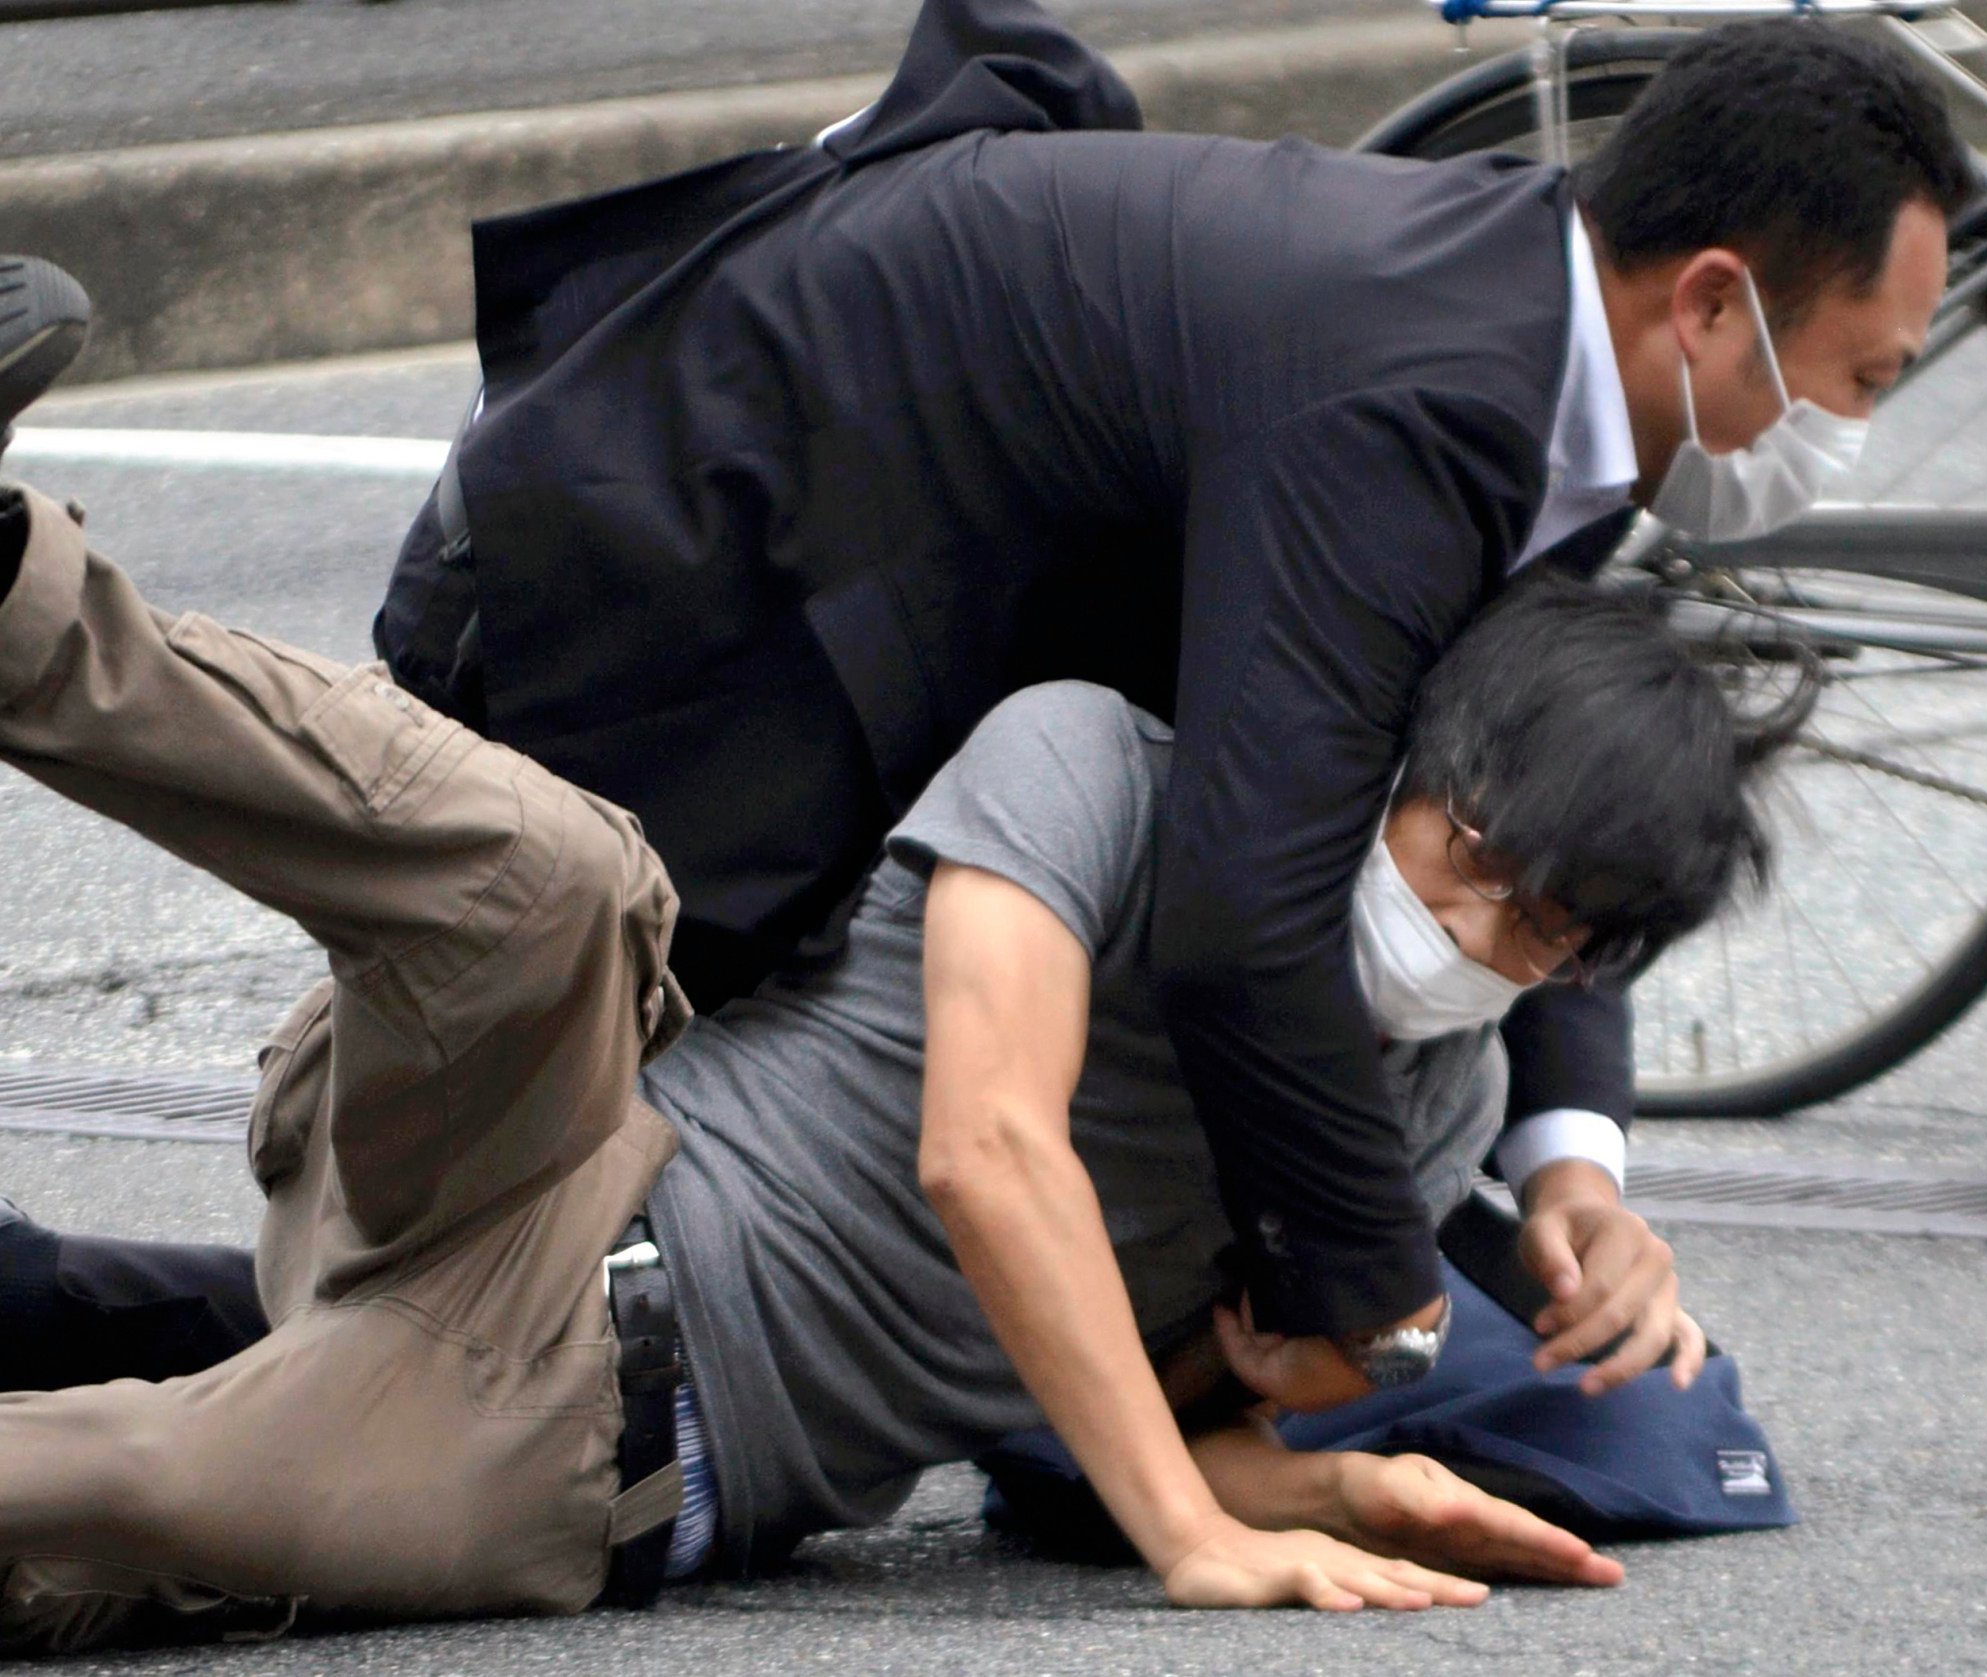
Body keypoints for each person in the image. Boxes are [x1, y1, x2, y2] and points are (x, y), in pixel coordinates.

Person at [0, 321, 1801, 1644]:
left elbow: (1101, 1446)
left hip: (583, 1445)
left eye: (1550, 936)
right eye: (1470, 855)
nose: (1481, 937)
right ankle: (17, 596)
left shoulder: (1433, 1105)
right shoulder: (1097, 768)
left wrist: (1287, 1445)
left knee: (117, 1506)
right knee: (557, 879)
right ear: (1392, 756)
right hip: (537, 1153)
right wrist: (1192, 1521)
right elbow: (986, 1149)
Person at [373, 0, 1976, 1403]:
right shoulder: (1421, 399)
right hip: (620, 583)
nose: (1853, 425)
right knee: (482, 1262)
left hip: (799, 588)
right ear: (1707, 302)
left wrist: (1569, 1161)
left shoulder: (1549, 336)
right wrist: (1379, 1305)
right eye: (1863, 376)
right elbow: (1243, 915)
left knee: (515, 1296)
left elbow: (1534, 736)